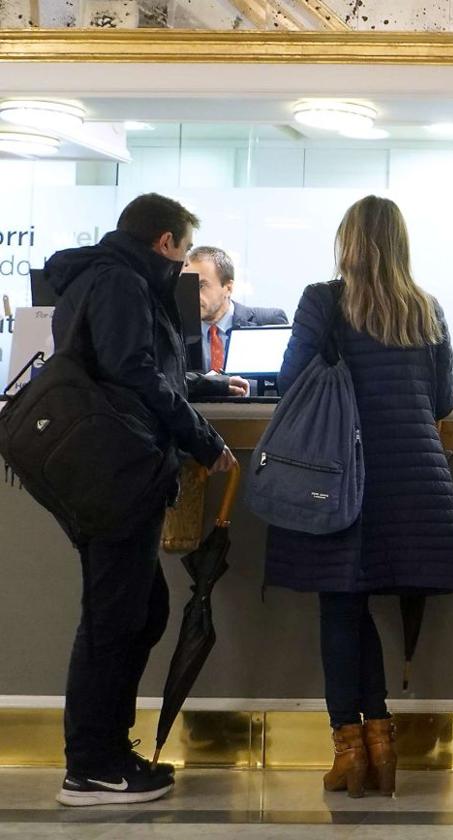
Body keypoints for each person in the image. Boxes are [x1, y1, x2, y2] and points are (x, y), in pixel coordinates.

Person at [264, 195, 453, 798]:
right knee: (357, 609)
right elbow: (444, 400)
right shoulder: (425, 308)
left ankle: (350, 748)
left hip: (340, 476)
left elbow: (293, 380)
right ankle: (380, 740)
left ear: (346, 241)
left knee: (339, 609)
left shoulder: (324, 300)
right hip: (415, 486)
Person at [43, 192, 237, 807]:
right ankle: (91, 764)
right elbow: (134, 370)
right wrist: (204, 439)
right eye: (181, 254)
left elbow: (118, 365)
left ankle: (106, 747)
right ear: (165, 243)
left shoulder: (90, 278)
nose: (180, 267)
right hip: (116, 470)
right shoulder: (124, 283)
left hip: (98, 465)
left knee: (141, 607)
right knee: (112, 616)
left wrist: (198, 385)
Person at [184, 245, 287, 375]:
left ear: (228, 288)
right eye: (187, 284)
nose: (191, 294)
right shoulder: (178, 330)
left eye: (201, 286)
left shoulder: (268, 321)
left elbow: (280, 383)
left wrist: (239, 386)